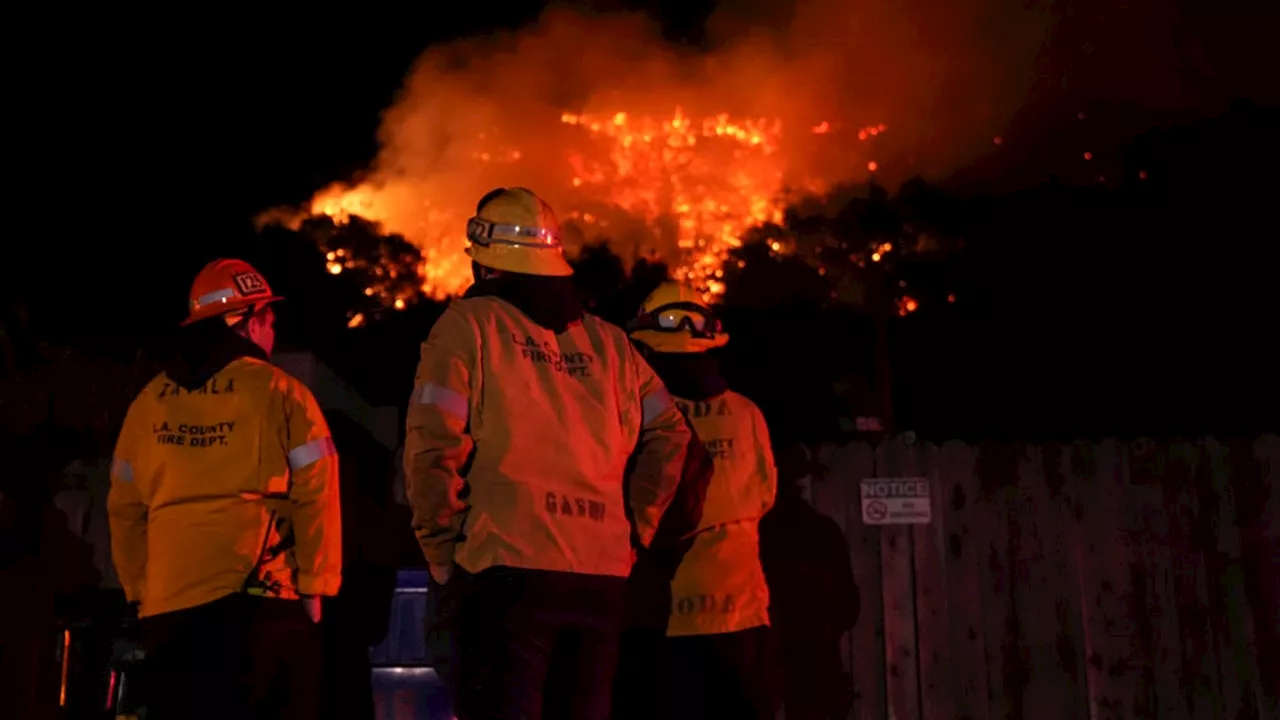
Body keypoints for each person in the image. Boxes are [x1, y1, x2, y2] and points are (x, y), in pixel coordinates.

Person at [404, 187, 691, 720]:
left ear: (486, 264)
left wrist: (440, 551)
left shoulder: (466, 327)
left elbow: (431, 444)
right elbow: (671, 433)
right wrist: (637, 528)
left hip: (504, 570)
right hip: (601, 578)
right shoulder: (611, 344)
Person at [108, 258, 342, 720]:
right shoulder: (282, 392)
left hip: (168, 616)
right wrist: (316, 586)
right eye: (269, 319)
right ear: (248, 322)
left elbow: (124, 507)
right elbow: (317, 491)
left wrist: (140, 591)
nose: (272, 331)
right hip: (259, 607)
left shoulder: (150, 400)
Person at [626, 281, 778, 720]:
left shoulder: (637, 413)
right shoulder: (747, 414)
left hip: (660, 620)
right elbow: (764, 496)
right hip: (740, 617)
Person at [759, 443, 859, 720]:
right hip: (812, 658)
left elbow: (847, 603)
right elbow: (849, 603)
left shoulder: (759, 532)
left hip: (783, 659)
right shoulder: (822, 530)